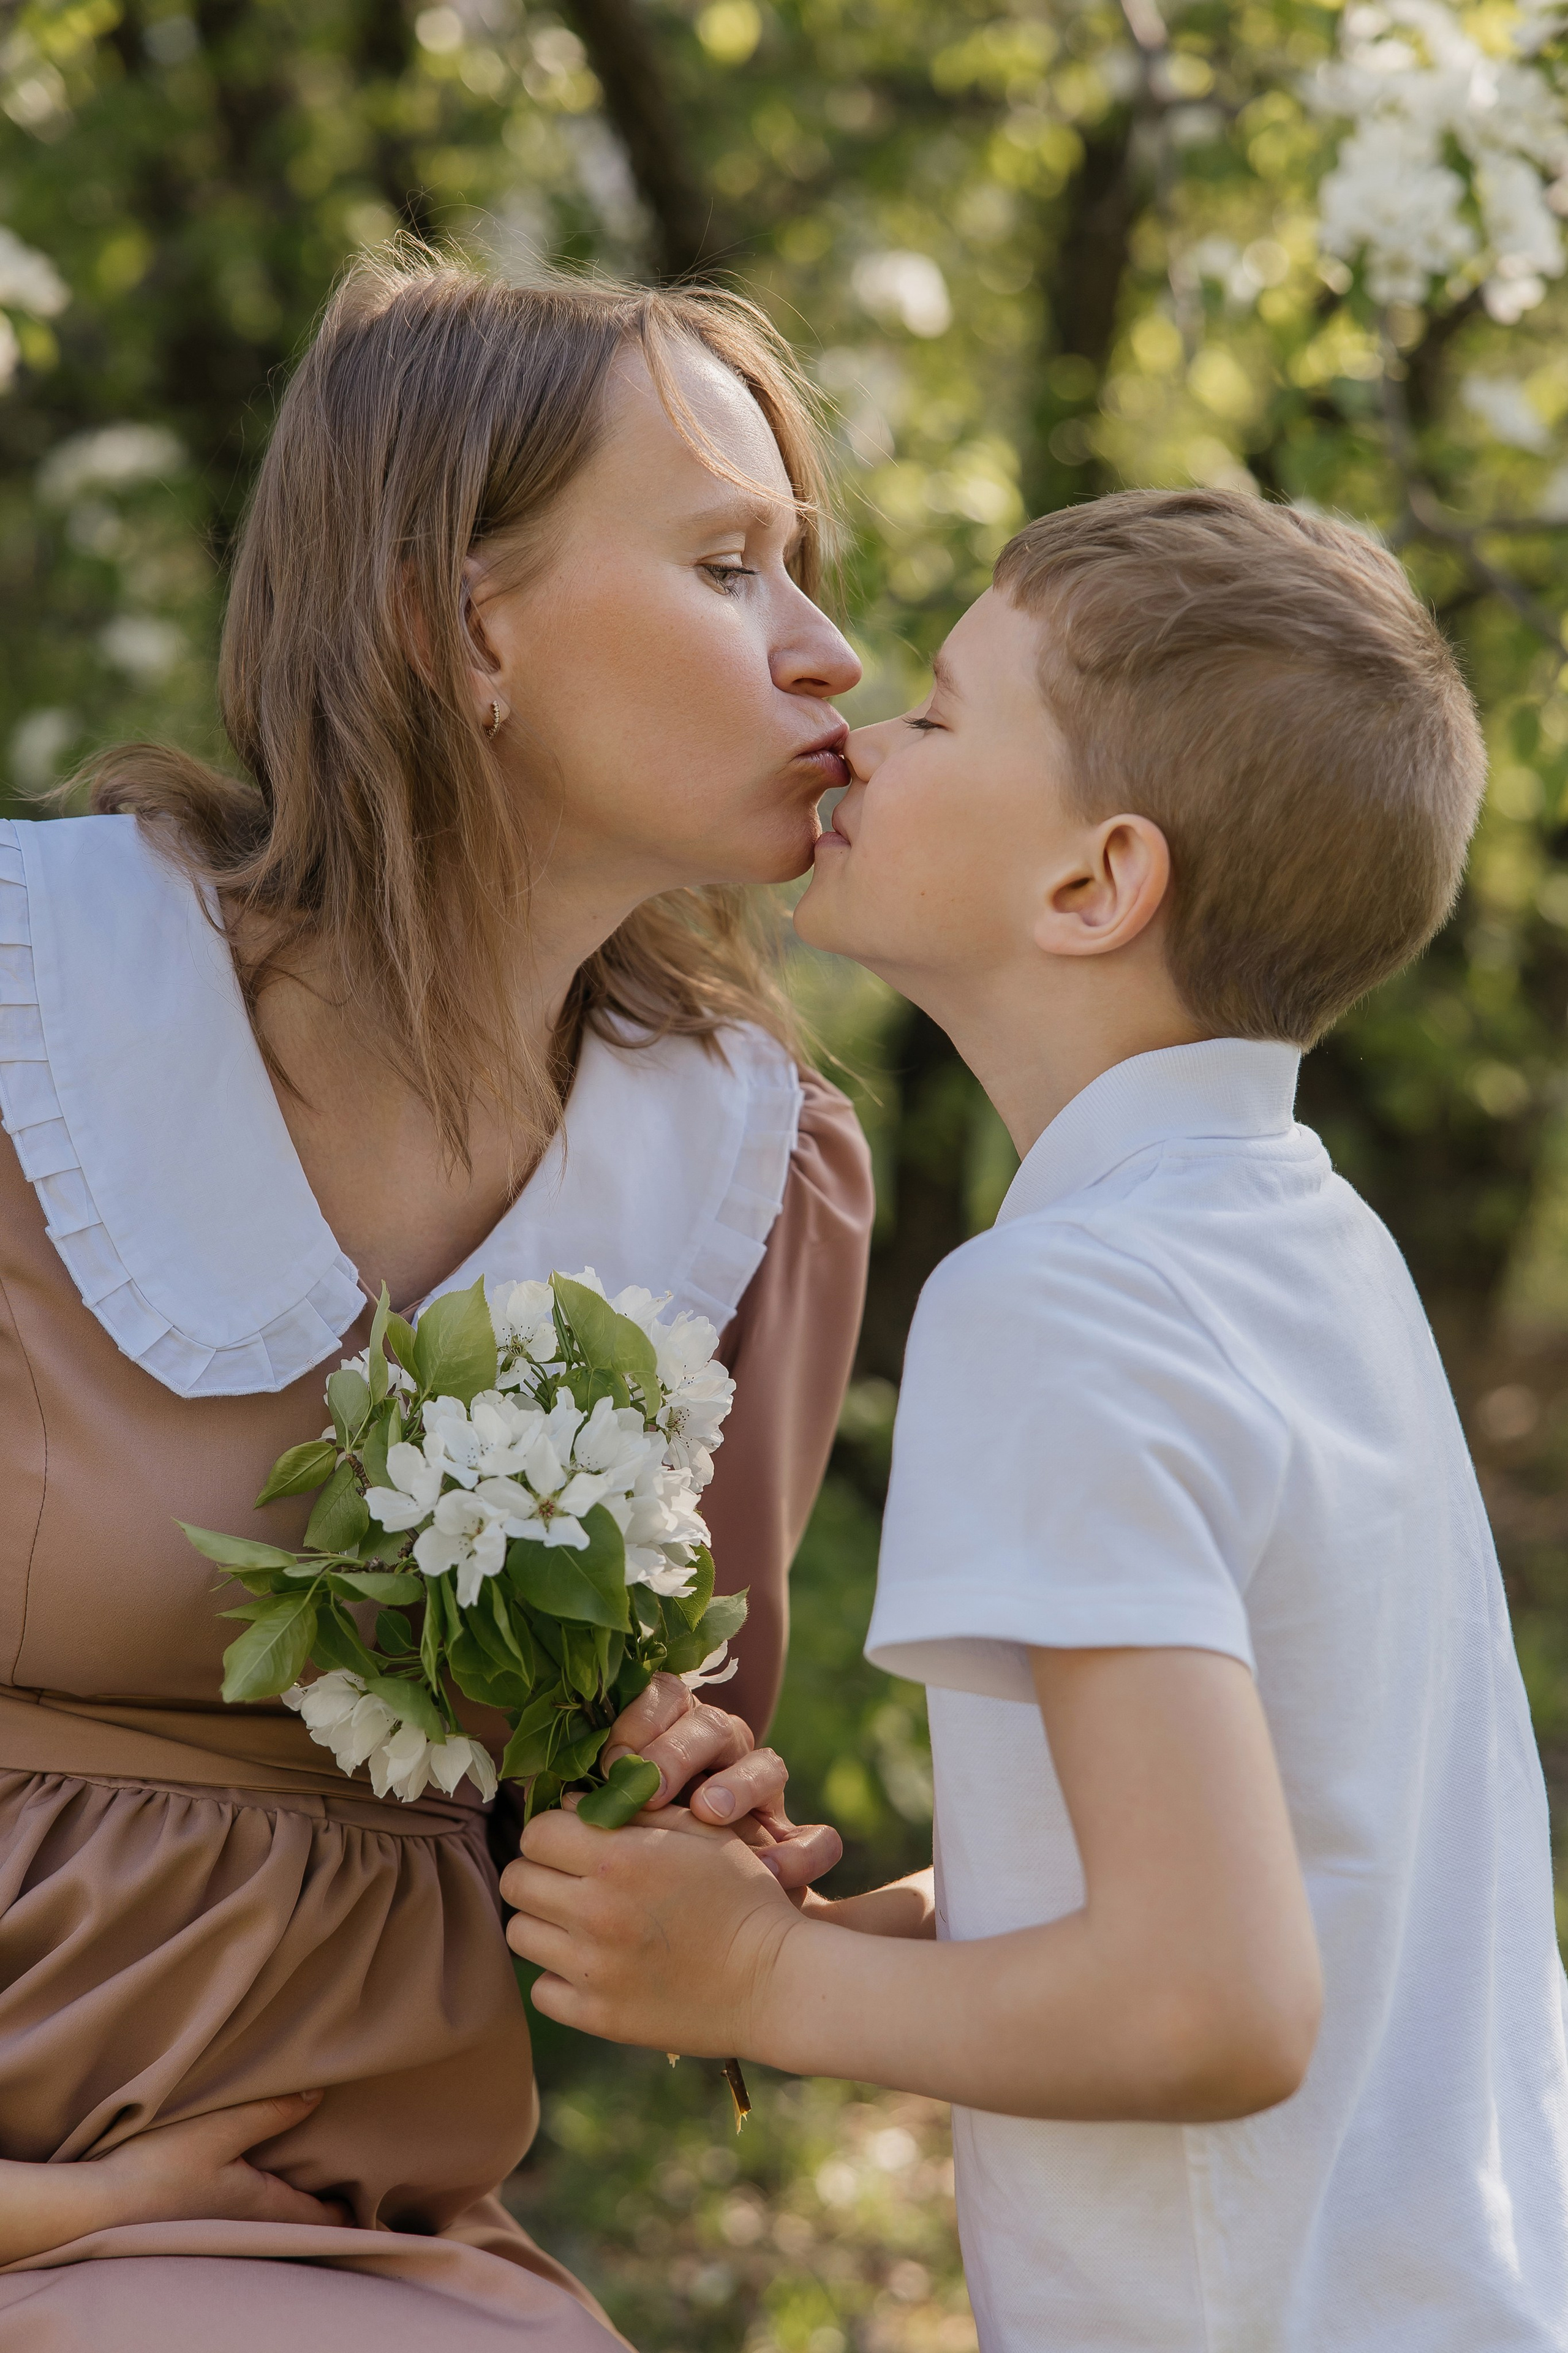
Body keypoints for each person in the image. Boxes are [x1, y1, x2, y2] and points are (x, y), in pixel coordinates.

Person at [502, 488, 1568, 2351]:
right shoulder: (1312, 1248)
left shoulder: (1059, 1298)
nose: (863, 728)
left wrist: (757, 1981)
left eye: (936, 710)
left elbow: (1208, 2005)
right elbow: (1277, 1862)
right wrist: (859, 1937)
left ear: (1095, 884)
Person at [0, 251, 872, 2346]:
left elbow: (603, 1858)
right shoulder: (33, 1000)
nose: (831, 654)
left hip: (363, 2219)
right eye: (730, 567)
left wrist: (686, 1827)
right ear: (455, 617)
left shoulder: (758, 1175)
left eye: (805, 570)